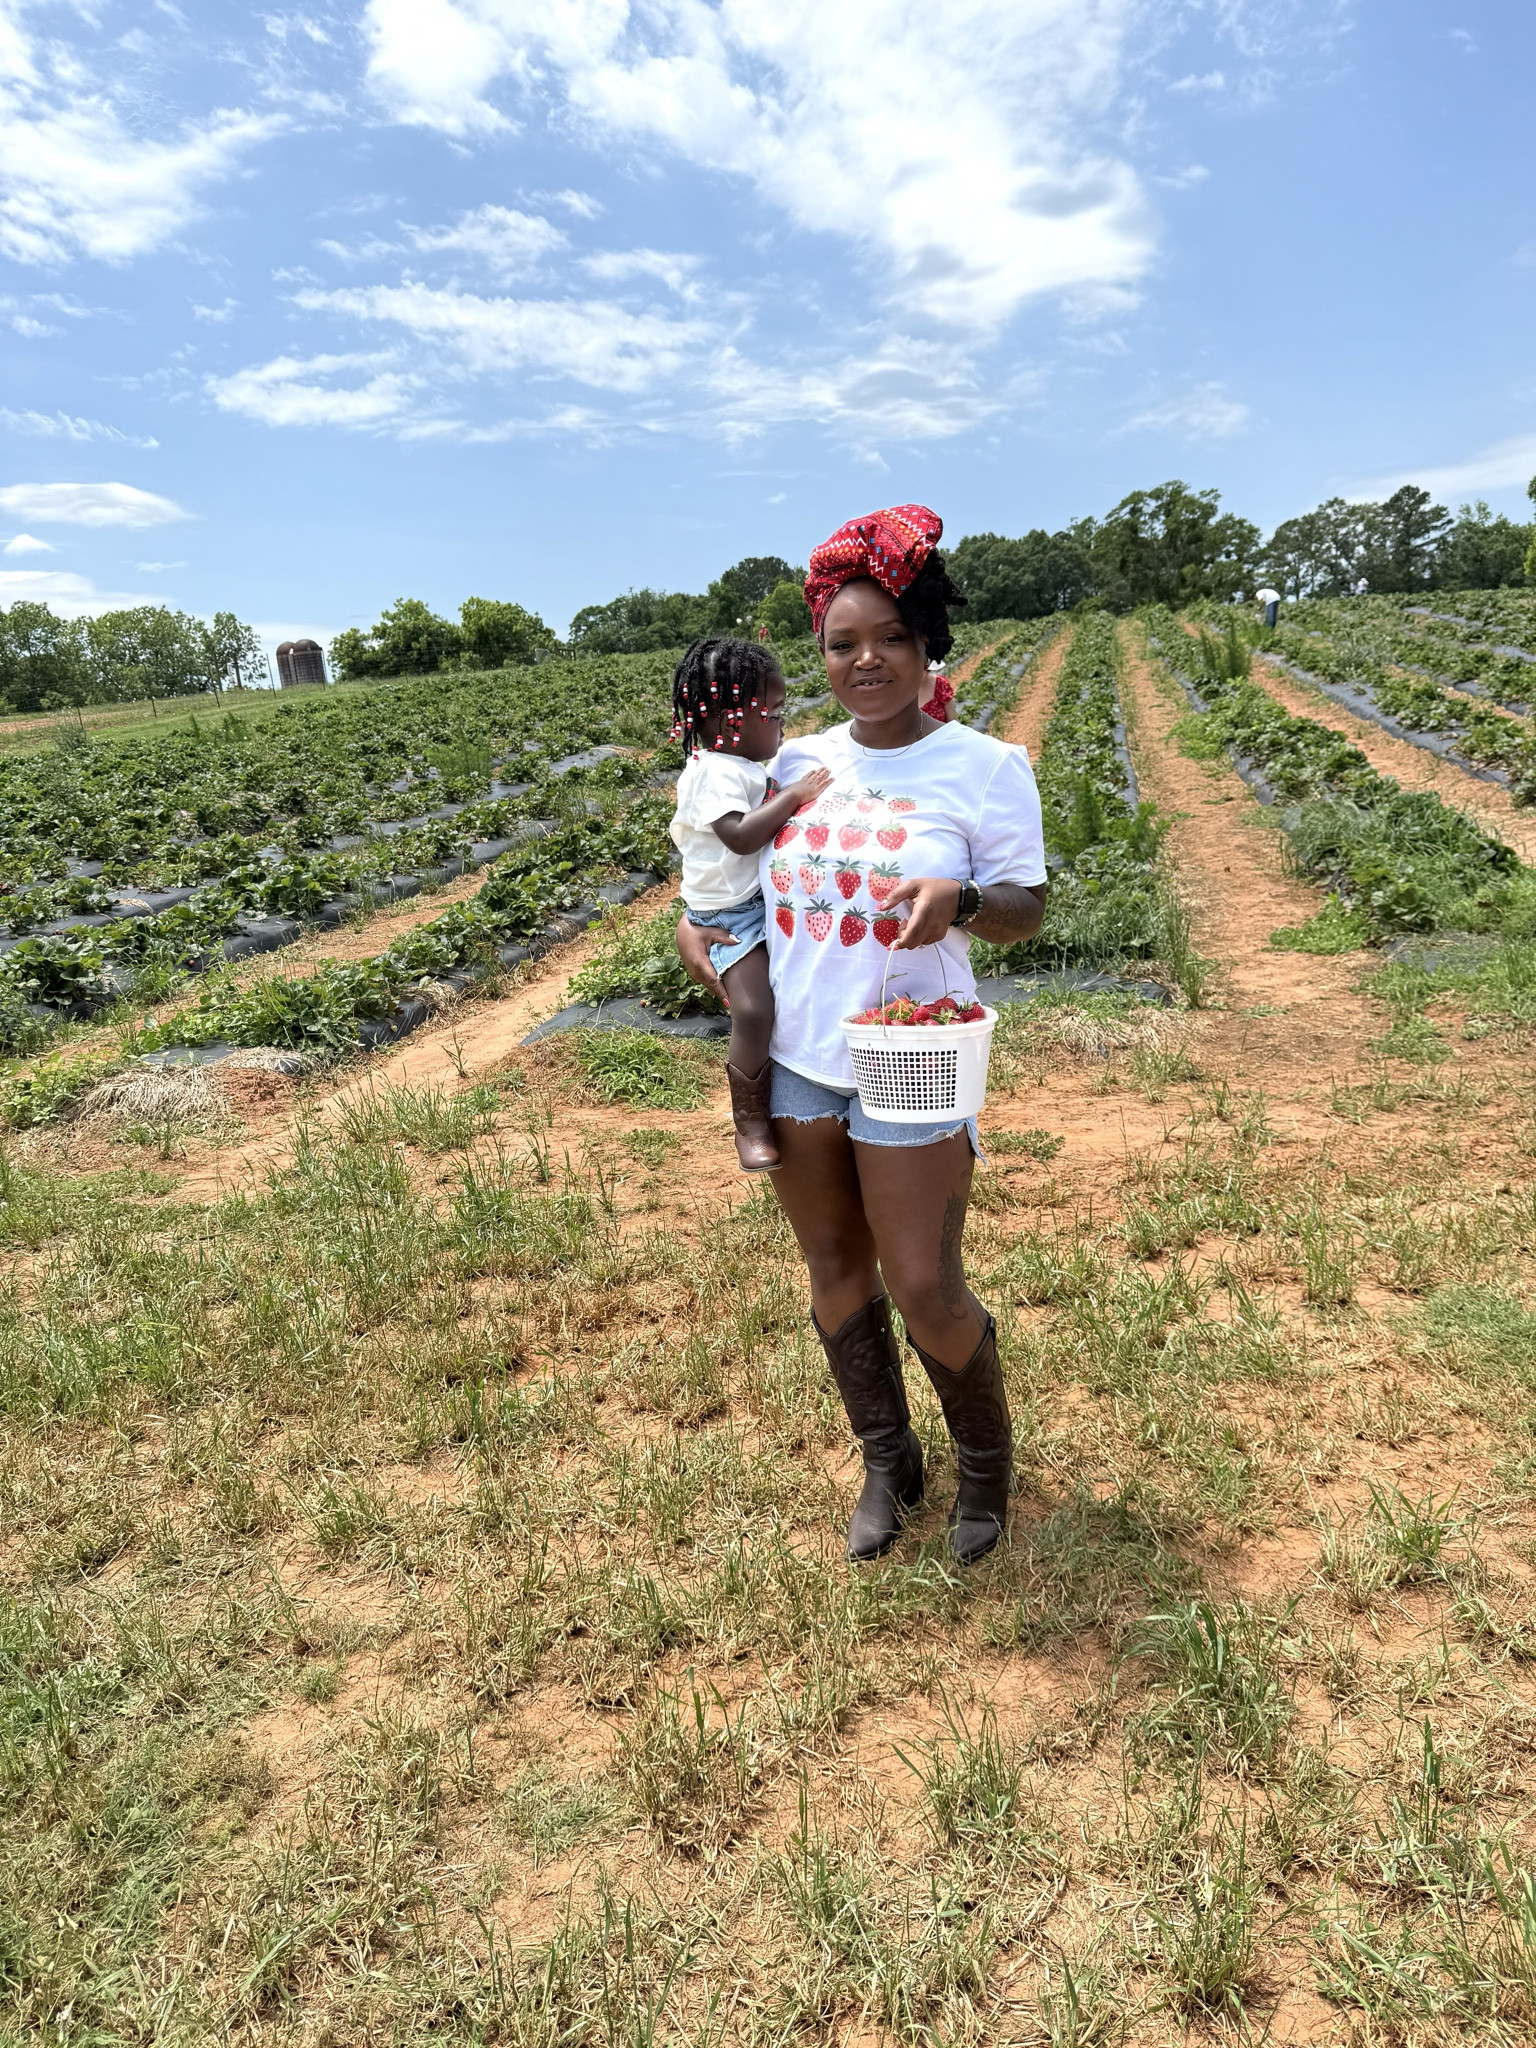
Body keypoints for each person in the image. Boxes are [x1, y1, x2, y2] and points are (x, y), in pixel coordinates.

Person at [676, 504, 1047, 1566]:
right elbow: (718, 875)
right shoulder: (792, 756)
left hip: (912, 1049)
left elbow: (1026, 905)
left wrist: (964, 896)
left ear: (926, 640)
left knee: (924, 1279)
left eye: (889, 635)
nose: (867, 658)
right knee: (835, 1264)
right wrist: (693, 931)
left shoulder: (982, 765)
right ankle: (890, 1463)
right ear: (821, 655)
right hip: (798, 1059)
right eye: (844, 642)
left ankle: (983, 1470)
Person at [669, 638, 832, 1172]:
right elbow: (740, 838)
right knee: (754, 1010)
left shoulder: (738, 764)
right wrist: (792, 797)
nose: (782, 723)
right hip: (731, 917)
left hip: (758, 901)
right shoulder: (712, 772)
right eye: (775, 712)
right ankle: (750, 1123)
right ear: (727, 719)